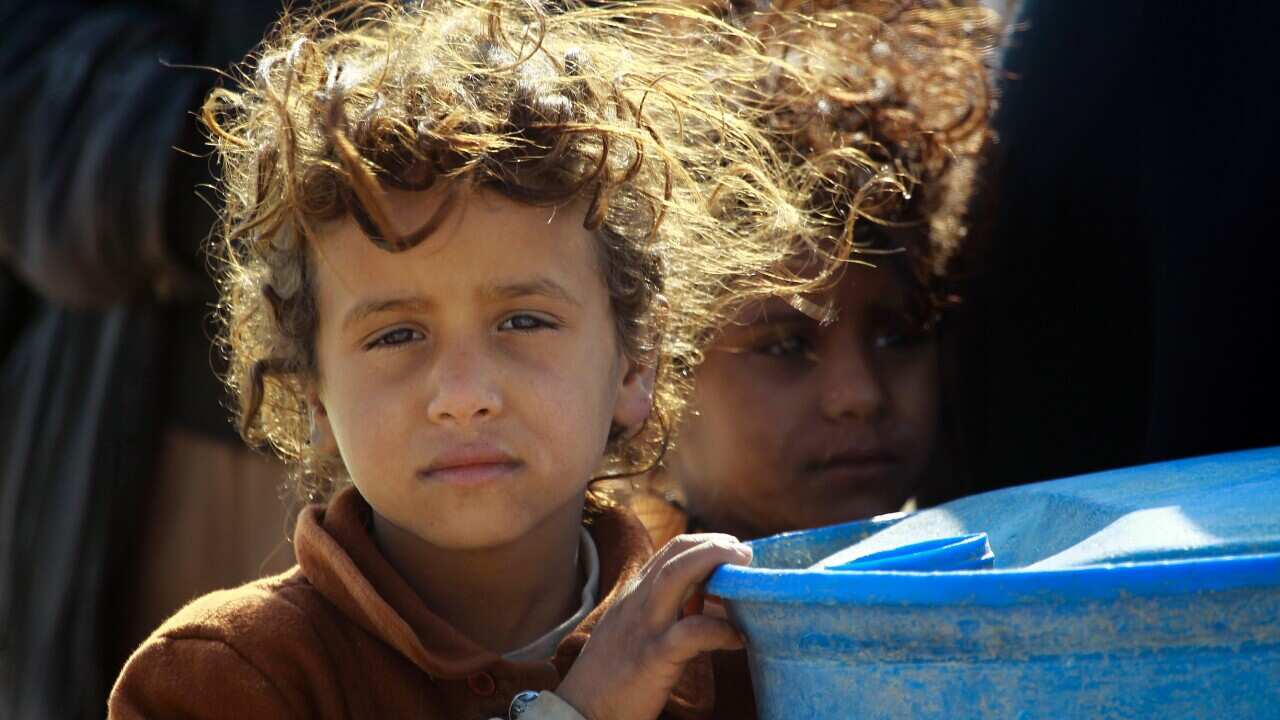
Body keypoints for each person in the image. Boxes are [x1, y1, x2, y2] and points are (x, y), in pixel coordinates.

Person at [107, 0, 840, 717]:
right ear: (316, 395)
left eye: (523, 321)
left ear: (632, 368)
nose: (462, 394)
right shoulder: (224, 676)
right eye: (395, 335)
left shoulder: (727, 646)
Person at [635, 0, 1000, 546]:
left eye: (898, 337)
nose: (859, 395)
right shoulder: (607, 624)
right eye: (785, 347)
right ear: (653, 374)